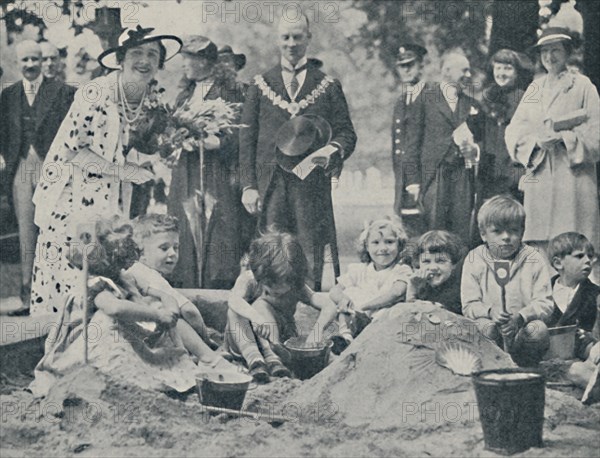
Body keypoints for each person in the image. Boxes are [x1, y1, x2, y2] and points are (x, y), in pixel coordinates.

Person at [29, 27, 182, 316]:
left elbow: (118, 147)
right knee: (72, 269)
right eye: (137, 53)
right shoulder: (95, 93)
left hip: (105, 194)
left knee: (103, 266)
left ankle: (103, 339)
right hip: (70, 195)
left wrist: (157, 157)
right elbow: (76, 152)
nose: (145, 61)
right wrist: (125, 173)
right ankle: (60, 339)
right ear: (121, 59)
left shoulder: (143, 96)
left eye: (153, 54)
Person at [239, 14, 357, 290]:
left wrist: (331, 150)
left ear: (308, 38)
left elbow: (347, 133)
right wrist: (248, 186)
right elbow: (246, 140)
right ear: (277, 39)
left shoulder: (327, 85)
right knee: (272, 249)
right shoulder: (259, 85)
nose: (291, 43)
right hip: (271, 185)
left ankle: (308, 310)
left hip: (311, 183)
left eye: (297, 36)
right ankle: (271, 312)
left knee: (308, 249)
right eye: (285, 37)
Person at [30, 217, 201, 398]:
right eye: (122, 260)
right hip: (89, 340)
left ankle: (174, 363)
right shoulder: (96, 283)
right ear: (108, 260)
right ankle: (117, 373)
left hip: (121, 334)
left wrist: (165, 304)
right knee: (109, 320)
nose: (126, 264)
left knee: (150, 310)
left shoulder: (123, 278)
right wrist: (157, 314)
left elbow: (153, 293)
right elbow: (115, 308)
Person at [505, 27, 600, 260]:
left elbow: (596, 134)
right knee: (541, 248)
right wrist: (535, 142)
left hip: (573, 180)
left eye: (555, 50)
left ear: (567, 52)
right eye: (544, 51)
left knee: (573, 242)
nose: (549, 57)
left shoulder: (583, 86)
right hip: (541, 177)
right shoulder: (535, 88)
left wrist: (564, 138)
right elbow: (515, 129)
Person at [0, 40, 76, 315]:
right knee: (26, 234)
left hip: (52, 166)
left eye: (35, 59)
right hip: (21, 166)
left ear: (42, 60)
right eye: (25, 60)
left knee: (55, 229)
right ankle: (28, 297)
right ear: (17, 63)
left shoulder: (62, 92)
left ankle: (61, 296)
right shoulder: (8, 96)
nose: (30, 65)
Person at [167, 35, 248, 290]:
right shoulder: (184, 96)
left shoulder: (231, 92)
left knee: (218, 229)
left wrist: (220, 143)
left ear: (205, 61)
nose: (184, 65)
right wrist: (176, 141)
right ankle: (188, 285)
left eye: (189, 59)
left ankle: (218, 288)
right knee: (185, 224)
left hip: (217, 173)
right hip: (186, 172)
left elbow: (245, 133)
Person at [124, 214, 236, 370]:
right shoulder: (151, 277)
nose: (172, 254)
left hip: (138, 334)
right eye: (164, 248)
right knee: (179, 321)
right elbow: (190, 311)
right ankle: (208, 356)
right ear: (141, 252)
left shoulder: (133, 270)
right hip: (151, 335)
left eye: (175, 247)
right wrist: (206, 340)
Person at [225, 230, 338, 383]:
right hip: (245, 342)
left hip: (278, 345)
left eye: (284, 285)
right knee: (238, 310)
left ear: (294, 278)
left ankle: (273, 358)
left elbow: (329, 305)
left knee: (262, 305)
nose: (276, 290)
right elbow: (233, 300)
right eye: (270, 285)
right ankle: (256, 359)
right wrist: (255, 316)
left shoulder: (297, 287)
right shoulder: (250, 280)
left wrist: (316, 332)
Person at [461, 195, 554, 366]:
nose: (506, 237)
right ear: (483, 234)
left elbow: (545, 303)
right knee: (483, 328)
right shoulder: (474, 259)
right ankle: (491, 368)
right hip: (492, 328)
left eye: (513, 230)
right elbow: (469, 305)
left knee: (538, 329)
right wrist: (490, 312)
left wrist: (521, 316)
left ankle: (526, 368)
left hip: (522, 331)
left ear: (522, 232)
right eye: (497, 231)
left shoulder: (534, 258)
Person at [408, 52, 485, 246]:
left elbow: (481, 140)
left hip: (462, 175)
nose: (468, 75)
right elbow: (412, 141)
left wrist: (473, 150)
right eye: (464, 70)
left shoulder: (472, 105)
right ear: (447, 71)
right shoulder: (425, 99)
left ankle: (458, 274)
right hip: (434, 174)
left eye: (469, 70)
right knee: (434, 231)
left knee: (461, 231)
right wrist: (413, 182)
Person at [328, 216, 412, 355]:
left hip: (380, 317)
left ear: (400, 245)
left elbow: (396, 293)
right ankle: (346, 336)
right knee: (349, 295)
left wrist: (364, 306)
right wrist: (343, 300)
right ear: (366, 247)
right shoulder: (359, 270)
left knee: (392, 311)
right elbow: (335, 290)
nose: (383, 248)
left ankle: (372, 341)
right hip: (356, 316)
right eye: (376, 243)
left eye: (389, 242)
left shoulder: (402, 270)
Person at [479, 49, 532, 202]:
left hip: (513, 170)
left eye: (508, 68)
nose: (501, 73)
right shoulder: (487, 96)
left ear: (517, 72)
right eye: (498, 68)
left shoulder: (523, 98)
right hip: (489, 170)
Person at [547, 232, 599, 360]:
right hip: (548, 355)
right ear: (558, 263)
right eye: (579, 256)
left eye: (590, 257)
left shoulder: (596, 294)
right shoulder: (542, 293)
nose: (588, 261)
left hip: (586, 356)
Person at [391, 41, 428, 217]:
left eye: (410, 65)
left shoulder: (429, 97)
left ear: (421, 66)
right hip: (403, 177)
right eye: (402, 66)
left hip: (423, 178)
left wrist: (414, 179)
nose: (406, 70)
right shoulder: (401, 100)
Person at [406, 230, 465, 315]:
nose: (433, 267)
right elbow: (410, 314)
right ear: (418, 263)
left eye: (440, 261)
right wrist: (412, 288)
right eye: (426, 261)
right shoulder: (420, 284)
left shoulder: (458, 289)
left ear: (453, 264)